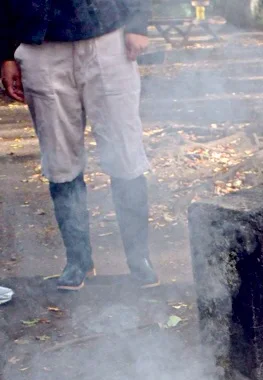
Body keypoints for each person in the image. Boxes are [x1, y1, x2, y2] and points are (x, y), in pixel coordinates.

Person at [0, 0, 158, 289]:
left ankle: (139, 259)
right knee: (59, 160)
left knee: (125, 154)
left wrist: (138, 22)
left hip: (109, 39)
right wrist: (5, 52)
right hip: (40, 46)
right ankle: (78, 261)